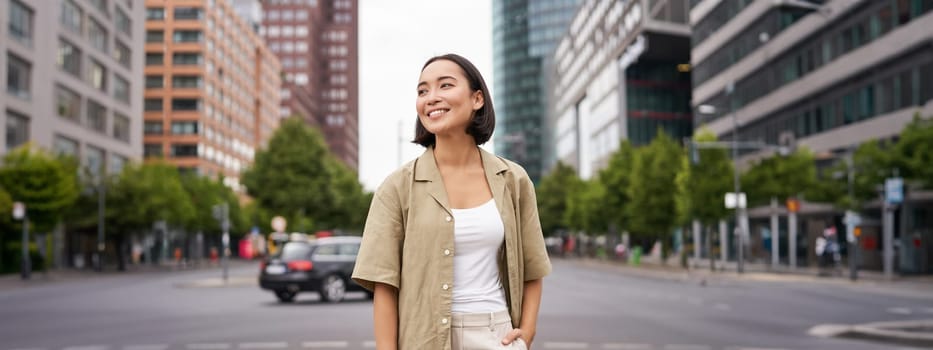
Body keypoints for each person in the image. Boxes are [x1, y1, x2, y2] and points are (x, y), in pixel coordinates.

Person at [352, 53, 551, 350]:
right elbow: (384, 284)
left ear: (477, 99)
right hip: (423, 339)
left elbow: (533, 266)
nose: (431, 97)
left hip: (496, 335)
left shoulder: (513, 180)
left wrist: (527, 331)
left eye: (445, 85)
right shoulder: (396, 188)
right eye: (422, 91)